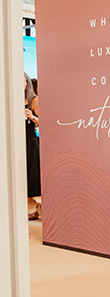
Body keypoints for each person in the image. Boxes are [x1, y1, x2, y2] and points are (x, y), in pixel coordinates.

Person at [24, 73, 41, 220]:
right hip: (16, 142)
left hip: (29, 141)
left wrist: (32, 117)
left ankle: (32, 206)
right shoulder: (12, 100)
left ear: (27, 83)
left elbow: (44, 122)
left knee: (30, 172)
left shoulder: (33, 100)